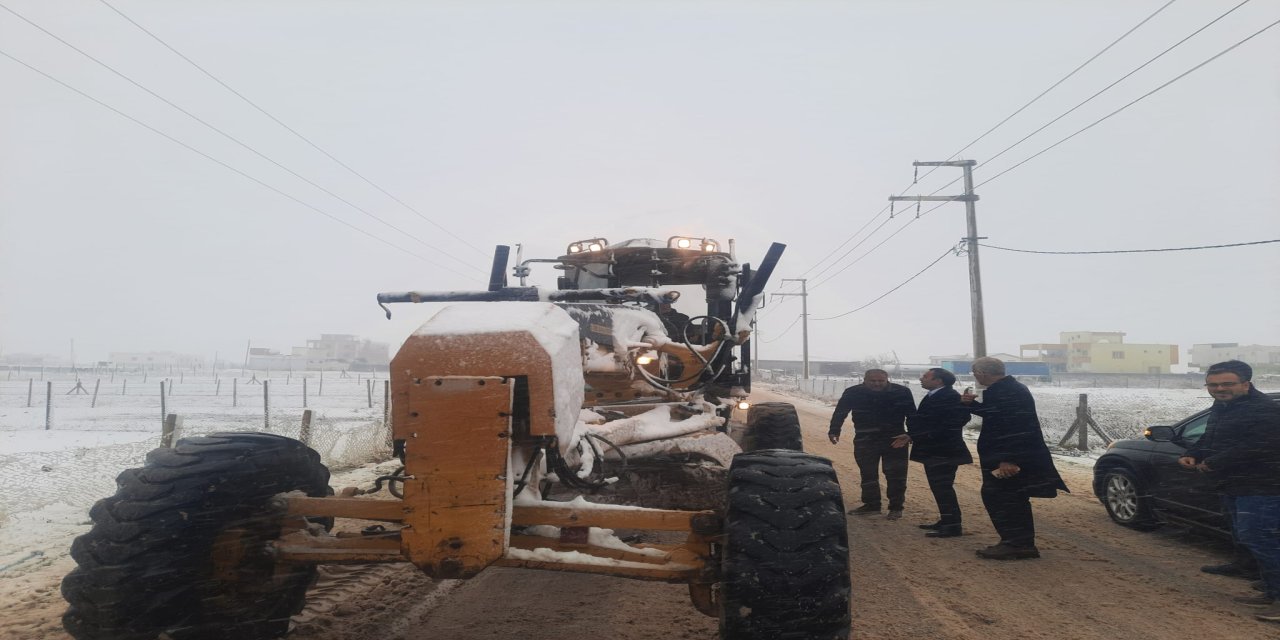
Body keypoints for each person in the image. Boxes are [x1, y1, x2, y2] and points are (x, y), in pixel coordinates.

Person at [1178, 360, 1280, 623]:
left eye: (1226, 383)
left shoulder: (1265, 410)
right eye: (1213, 384)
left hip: (1262, 487)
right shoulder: (1223, 406)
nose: (1219, 388)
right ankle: (1271, 592)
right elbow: (1210, 436)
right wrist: (1194, 453)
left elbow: (1258, 446)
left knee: (1263, 541)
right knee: (1248, 538)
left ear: (1246, 383)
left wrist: (1214, 462)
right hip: (1232, 485)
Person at [960, 357, 1067, 560]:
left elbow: (1016, 426)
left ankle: (1017, 543)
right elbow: (997, 415)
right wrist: (971, 405)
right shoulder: (1006, 389)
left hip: (1008, 457)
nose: (974, 376)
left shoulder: (1007, 391)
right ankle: (1017, 542)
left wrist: (1008, 458)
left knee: (1004, 498)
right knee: (1008, 498)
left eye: (975, 372)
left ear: (983, 373)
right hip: (1005, 454)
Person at [891, 367, 973, 537]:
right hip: (935, 449)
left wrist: (916, 435)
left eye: (926, 376)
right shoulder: (934, 395)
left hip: (944, 451)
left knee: (943, 487)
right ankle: (947, 520)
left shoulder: (949, 397)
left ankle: (952, 526)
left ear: (939, 381)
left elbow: (950, 424)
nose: (921, 378)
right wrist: (911, 435)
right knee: (939, 487)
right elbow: (929, 423)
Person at [829, 369, 916, 520]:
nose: (877, 384)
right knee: (868, 473)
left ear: (887, 380)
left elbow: (912, 415)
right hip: (865, 438)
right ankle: (872, 505)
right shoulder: (853, 392)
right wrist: (834, 430)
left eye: (881, 381)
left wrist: (911, 434)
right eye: (873, 381)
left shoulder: (901, 392)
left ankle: (896, 507)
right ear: (865, 380)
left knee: (896, 475)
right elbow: (840, 412)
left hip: (895, 439)